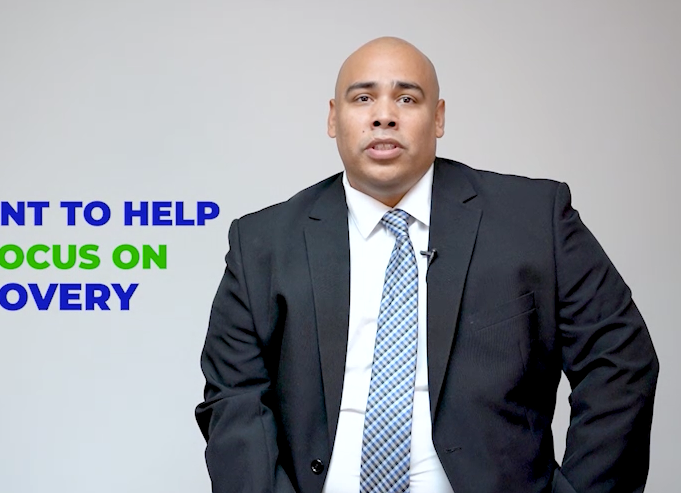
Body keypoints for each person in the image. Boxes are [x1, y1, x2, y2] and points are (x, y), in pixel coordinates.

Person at [194, 37, 659, 493]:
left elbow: (619, 359)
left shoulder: (536, 220)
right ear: (333, 119)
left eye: (406, 97)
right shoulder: (262, 243)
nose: (383, 115)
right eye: (362, 97)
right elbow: (234, 399)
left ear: (437, 118)